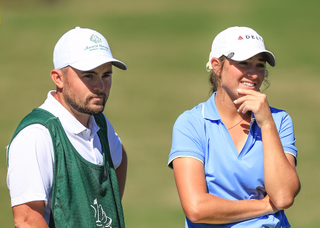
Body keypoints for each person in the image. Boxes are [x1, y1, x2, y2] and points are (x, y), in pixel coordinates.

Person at [168, 26, 300, 228]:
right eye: (243, 63)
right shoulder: (191, 123)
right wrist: (265, 206)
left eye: (260, 65)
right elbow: (196, 208)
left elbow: (282, 197)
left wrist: (266, 123)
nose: (253, 74)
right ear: (216, 66)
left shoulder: (278, 121)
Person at [7, 26, 128, 227]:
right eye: (88, 75)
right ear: (58, 78)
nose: (100, 86)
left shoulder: (99, 122)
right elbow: (27, 220)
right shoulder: (37, 134)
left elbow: (120, 157)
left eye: (106, 75)